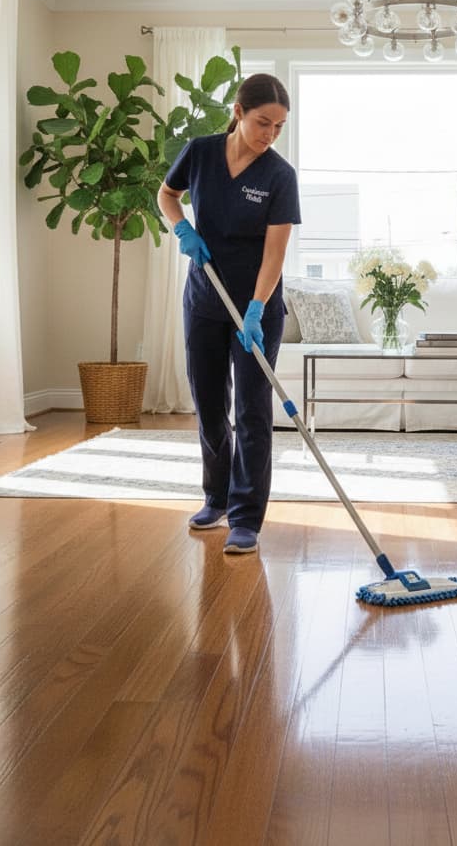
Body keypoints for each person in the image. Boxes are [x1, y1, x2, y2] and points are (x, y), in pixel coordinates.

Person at [157, 74, 300, 554]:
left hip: (256, 306)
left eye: (279, 127)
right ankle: (215, 498)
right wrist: (182, 229)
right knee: (209, 403)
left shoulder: (280, 175)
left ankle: (245, 517)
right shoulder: (199, 153)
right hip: (204, 300)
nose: (270, 135)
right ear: (238, 112)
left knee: (252, 411)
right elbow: (166, 195)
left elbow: (275, 254)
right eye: (263, 123)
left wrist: (256, 309)